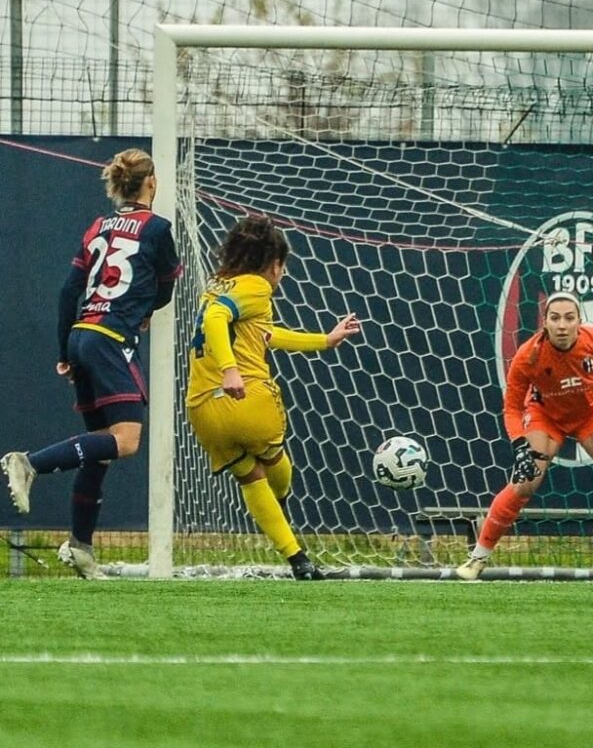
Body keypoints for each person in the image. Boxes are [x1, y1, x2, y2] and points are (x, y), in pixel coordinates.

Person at [2, 148, 182, 579]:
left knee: (99, 446)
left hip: (84, 332)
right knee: (126, 440)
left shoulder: (98, 227)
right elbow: (165, 289)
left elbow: (69, 290)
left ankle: (81, 547)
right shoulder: (157, 229)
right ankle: (30, 463)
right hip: (110, 338)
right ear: (151, 183)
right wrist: (143, 309)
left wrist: (65, 350)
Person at [186, 215, 360, 580]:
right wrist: (231, 369)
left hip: (202, 408)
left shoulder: (217, 285)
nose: (282, 274)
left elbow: (266, 336)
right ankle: (280, 510)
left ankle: (298, 560)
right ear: (273, 263)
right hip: (247, 397)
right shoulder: (256, 287)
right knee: (277, 466)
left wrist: (324, 341)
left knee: (250, 477)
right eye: (283, 266)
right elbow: (216, 320)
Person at [455, 291, 593, 580]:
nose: (562, 325)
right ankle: (477, 558)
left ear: (579, 321)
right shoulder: (528, 354)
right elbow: (511, 408)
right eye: (554, 318)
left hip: (591, 414)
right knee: (524, 482)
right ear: (544, 323)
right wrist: (520, 444)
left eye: (569, 318)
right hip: (547, 417)